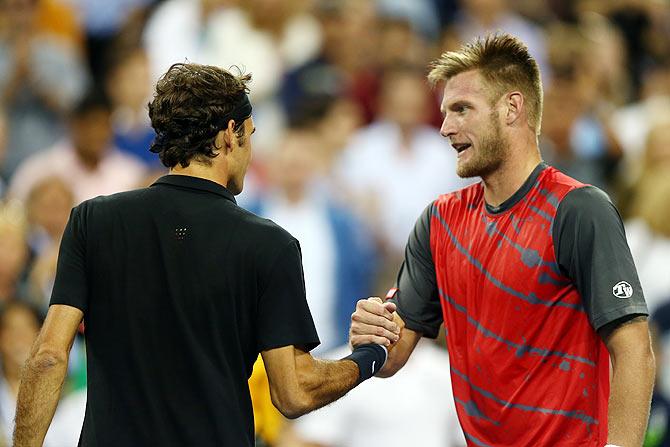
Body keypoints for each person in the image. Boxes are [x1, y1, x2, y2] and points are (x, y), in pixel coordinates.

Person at [13, 63, 390, 447]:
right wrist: (367, 357)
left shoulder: (92, 221)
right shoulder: (270, 245)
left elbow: (48, 357)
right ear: (231, 134)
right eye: (251, 135)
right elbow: (294, 392)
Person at [349, 33, 655, 447]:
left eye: (461, 109)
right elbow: (395, 353)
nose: (444, 127)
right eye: (444, 112)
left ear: (512, 108)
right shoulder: (438, 221)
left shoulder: (579, 210)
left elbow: (634, 348)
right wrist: (376, 331)